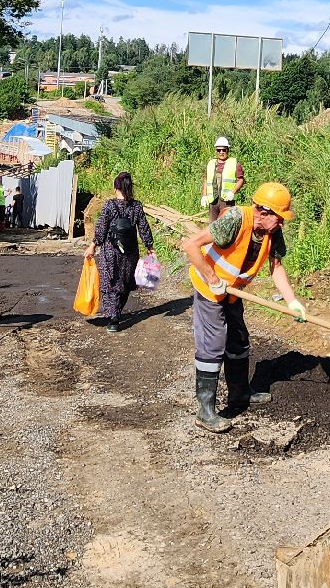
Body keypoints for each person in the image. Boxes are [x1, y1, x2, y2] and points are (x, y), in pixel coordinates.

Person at [176, 181, 307, 432]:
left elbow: (276, 267)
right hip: (209, 290)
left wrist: (292, 301)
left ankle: (240, 394)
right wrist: (213, 280)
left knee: (238, 342)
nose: (282, 224)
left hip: (233, 294)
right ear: (263, 212)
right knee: (213, 345)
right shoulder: (235, 219)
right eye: (279, 218)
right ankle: (205, 412)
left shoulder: (272, 232)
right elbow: (191, 246)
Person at [84, 170, 155, 333]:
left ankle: (113, 317)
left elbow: (101, 227)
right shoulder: (136, 206)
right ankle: (116, 312)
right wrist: (149, 247)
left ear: (116, 186)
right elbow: (143, 227)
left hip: (111, 251)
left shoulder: (110, 205)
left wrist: (93, 245)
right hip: (130, 252)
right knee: (124, 283)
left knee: (110, 283)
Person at [199, 136, 245, 221]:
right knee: (212, 226)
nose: (221, 152)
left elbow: (241, 180)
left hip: (227, 201)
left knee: (226, 225)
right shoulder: (211, 163)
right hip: (213, 200)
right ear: (216, 150)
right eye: (218, 150)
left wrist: (232, 192)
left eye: (223, 150)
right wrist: (204, 196)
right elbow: (206, 179)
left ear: (228, 150)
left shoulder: (235, 163)